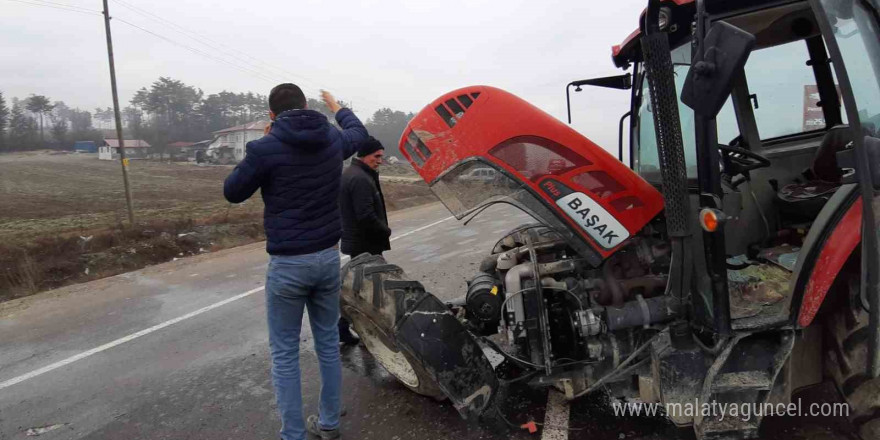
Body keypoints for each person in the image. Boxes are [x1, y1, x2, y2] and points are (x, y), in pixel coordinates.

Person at [223, 83, 367, 440]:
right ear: (306, 106)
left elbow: (233, 192)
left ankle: (293, 435)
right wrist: (337, 106)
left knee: (285, 353)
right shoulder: (332, 140)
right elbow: (359, 134)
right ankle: (330, 423)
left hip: (288, 264)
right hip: (327, 258)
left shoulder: (265, 148)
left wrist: (260, 149)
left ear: (272, 115)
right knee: (327, 346)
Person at [339, 136, 390, 257]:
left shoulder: (353, 173)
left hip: (360, 244)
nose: (380, 161)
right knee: (371, 274)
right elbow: (365, 215)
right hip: (365, 245)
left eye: (381, 156)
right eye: (376, 156)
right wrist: (385, 230)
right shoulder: (359, 179)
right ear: (364, 155)